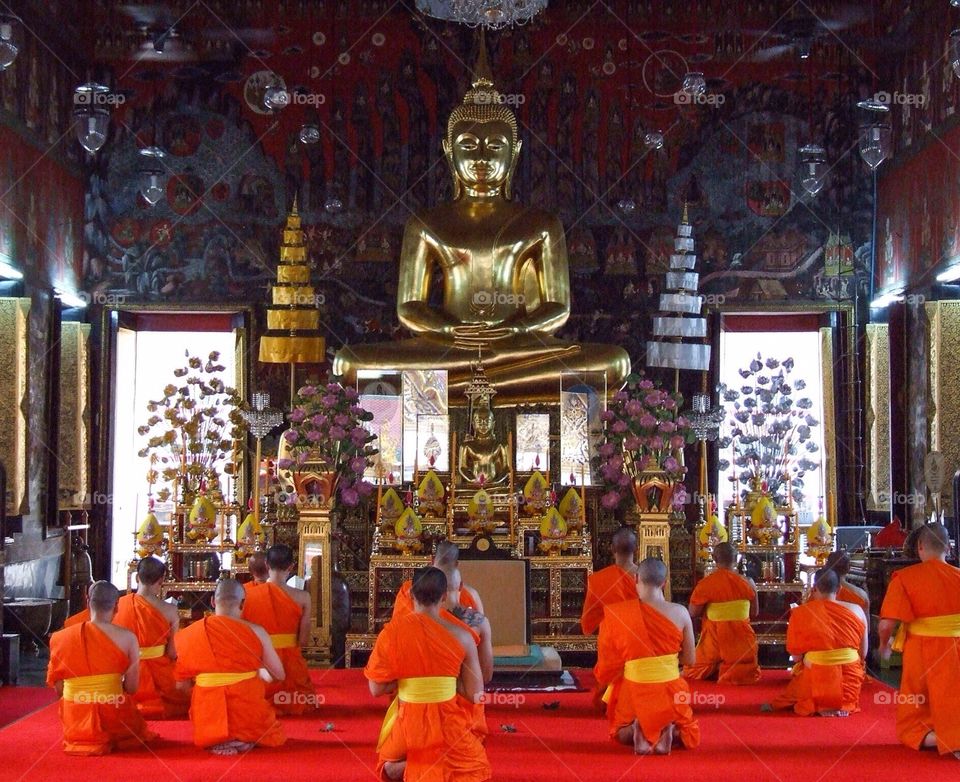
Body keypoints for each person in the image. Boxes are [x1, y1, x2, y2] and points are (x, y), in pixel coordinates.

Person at [365, 567, 491, 781]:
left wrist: (410, 682)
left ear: (411, 594)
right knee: (474, 768)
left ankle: (419, 767)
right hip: (448, 723)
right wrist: (446, 682)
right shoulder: (463, 636)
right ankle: (436, 766)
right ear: (443, 597)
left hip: (408, 726)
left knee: (387, 767)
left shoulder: (391, 633)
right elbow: (475, 694)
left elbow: (376, 688)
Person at [595, 558, 700, 755]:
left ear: (635, 578)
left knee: (618, 733)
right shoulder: (680, 612)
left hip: (634, 690)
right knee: (687, 734)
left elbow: (608, 663)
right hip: (671, 690)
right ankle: (668, 729)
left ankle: (637, 728)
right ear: (665, 583)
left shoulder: (617, 614)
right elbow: (690, 660)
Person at [174, 578, 286, 755]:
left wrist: (210, 688)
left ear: (212, 601)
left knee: (204, 700)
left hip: (208, 714)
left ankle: (218, 736)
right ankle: (244, 736)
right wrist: (257, 670)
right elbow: (279, 675)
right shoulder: (256, 631)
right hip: (248, 710)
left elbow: (181, 685)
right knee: (268, 725)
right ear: (243, 603)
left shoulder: (188, 634)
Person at [46, 581, 156, 756]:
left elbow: (59, 689)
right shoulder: (128, 638)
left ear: (88, 601)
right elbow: (132, 688)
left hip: (75, 718)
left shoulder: (60, 638)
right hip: (114, 714)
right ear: (117, 606)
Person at [879, 522, 960, 757]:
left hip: (923, 651)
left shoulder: (905, 578)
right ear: (948, 547)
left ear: (920, 546)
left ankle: (947, 738)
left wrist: (884, 646)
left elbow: (886, 623)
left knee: (914, 715)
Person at [768, 568, 867, 716]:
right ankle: (840, 704)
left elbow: (796, 657)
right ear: (839, 589)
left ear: (814, 589)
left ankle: (821, 701)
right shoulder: (857, 610)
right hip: (848, 682)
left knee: (799, 679)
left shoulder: (801, 613)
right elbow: (863, 653)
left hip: (815, 680)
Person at [240, 544, 316, 715]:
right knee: (301, 700)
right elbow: (303, 641)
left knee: (255, 695)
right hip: (290, 665)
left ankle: (265, 703)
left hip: (262, 661)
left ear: (266, 565)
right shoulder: (303, 597)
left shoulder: (248, 596)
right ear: (291, 567)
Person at [111, 556, 190, 718]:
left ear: (136, 577)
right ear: (161, 580)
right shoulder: (170, 610)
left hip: (127, 672)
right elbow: (172, 653)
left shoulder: (119, 606)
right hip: (159, 674)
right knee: (187, 691)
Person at [684, 542, 760, 685]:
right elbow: (754, 612)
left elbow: (692, 613)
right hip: (742, 645)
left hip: (714, 643)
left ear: (714, 558)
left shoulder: (706, 584)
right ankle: (727, 667)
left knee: (691, 669)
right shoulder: (748, 582)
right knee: (744, 664)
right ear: (736, 558)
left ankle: (717, 666)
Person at [392, 540, 484, 620]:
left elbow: (399, 625)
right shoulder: (471, 594)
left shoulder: (410, 588)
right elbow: (481, 630)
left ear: (432, 560)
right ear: (456, 564)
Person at [580, 528, 639, 635]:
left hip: (611, 638)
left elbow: (587, 624)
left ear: (612, 548)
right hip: (639, 638)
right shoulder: (646, 577)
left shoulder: (597, 580)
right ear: (636, 549)